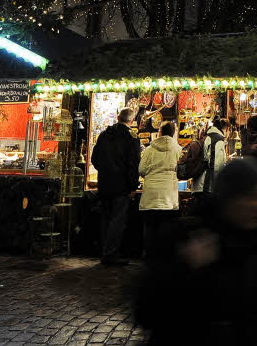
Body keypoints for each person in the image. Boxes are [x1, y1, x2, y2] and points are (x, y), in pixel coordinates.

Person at [136, 159, 257, 346]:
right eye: (253, 197)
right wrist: (185, 268)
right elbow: (147, 310)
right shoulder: (188, 237)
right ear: (232, 197)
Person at [91, 107, 141, 266]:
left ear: (118, 117)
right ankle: (111, 254)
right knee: (117, 221)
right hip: (121, 186)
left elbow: (95, 159)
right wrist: (133, 186)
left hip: (104, 184)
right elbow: (133, 164)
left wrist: (105, 172)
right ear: (132, 121)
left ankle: (105, 252)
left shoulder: (104, 135)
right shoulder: (131, 138)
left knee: (106, 219)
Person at [139, 121, 181, 260]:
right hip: (169, 195)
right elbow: (181, 171)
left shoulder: (150, 149)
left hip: (151, 193)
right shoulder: (178, 149)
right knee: (167, 227)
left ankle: (148, 254)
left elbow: (141, 170)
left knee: (150, 226)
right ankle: (164, 255)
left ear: (160, 132)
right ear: (174, 133)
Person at [190, 118, 228, 194]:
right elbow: (218, 166)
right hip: (207, 187)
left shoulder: (205, 137)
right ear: (226, 129)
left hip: (197, 186)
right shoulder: (218, 140)